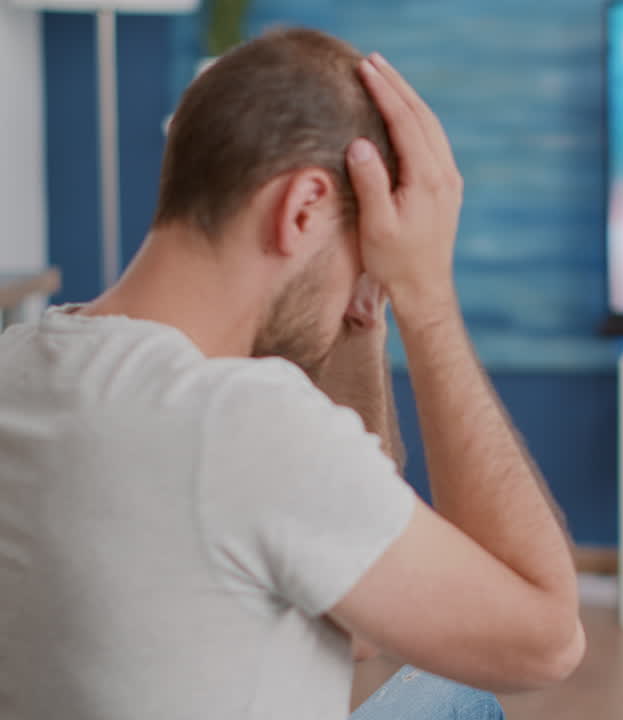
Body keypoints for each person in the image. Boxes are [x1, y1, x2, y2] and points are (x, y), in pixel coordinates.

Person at [0, 27, 588, 720]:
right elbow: (547, 644)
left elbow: (365, 623)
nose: (368, 274)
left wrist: (361, 321)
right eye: (362, 249)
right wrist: (426, 300)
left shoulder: (22, 360)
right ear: (303, 207)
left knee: (456, 696)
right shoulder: (240, 422)